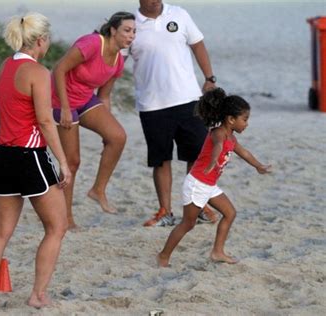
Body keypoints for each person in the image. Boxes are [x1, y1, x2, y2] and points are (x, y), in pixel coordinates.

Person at [0, 13, 71, 309]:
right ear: (41, 40)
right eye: (48, 39)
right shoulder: (38, 73)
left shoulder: (5, 66)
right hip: (30, 156)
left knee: (0, 232)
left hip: (2, 156)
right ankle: (38, 295)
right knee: (57, 227)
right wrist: (63, 163)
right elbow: (45, 121)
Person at [128, 0, 219, 226]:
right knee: (161, 159)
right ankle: (165, 212)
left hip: (188, 99)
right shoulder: (130, 24)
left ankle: (196, 207)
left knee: (197, 155)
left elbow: (198, 44)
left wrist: (209, 78)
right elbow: (114, 59)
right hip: (152, 105)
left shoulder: (179, 14)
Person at [157, 88, 272, 267]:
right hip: (197, 183)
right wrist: (212, 162)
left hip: (209, 185)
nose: (246, 124)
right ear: (231, 119)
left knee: (230, 213)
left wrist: (258, 166)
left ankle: (217, 252)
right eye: (245, 119)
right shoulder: (218, 132)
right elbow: (217, 146)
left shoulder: (232, 138)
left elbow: (244, 153)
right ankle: (163, 256)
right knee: (188, 224)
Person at [52, 12, 136, 229]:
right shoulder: (91, 44)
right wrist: (65, 108)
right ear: (113, 30)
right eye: (127, 30)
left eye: (134, 31)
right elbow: (59, 69)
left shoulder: (118, 60)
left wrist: (106, 126)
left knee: (117, 136)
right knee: (72, 162)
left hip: (85, 99)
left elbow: (104, 96)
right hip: (59, 100)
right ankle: (66, 218)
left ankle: (98, 190)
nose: (131, 35)